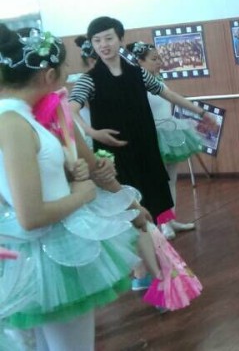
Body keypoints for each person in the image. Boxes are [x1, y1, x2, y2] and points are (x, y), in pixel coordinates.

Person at [0, 25, 142, 350]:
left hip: (42, 250)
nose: (68, 74)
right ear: (49, 75)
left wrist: (67, 173)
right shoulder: (13, 123)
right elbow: (31, 215)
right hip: (49, 252)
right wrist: (82, 193)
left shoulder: (19, 119)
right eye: (65, 68)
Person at [68, 17, 214, 227]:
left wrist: (201, 112)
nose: (103, 45)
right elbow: (71, 109)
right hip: (113, 154)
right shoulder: (89, 79)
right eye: (97, 40)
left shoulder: (138, 73)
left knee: (153, 203)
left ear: (120, 40)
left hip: (145, 147)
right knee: (125, 210)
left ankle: (158, 241)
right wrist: (91, 132)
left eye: (108, 38)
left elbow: (168, 94)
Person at [129, 41, 202, 239]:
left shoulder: (158, 80)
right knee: (158, 182)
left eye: (159, 58)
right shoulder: (136, 83)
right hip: (152, 136)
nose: (159, 62)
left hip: (169, 133)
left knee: (172, 179)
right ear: (139, 61)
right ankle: (161, 223)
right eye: (154, 59)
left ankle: (171, 219)